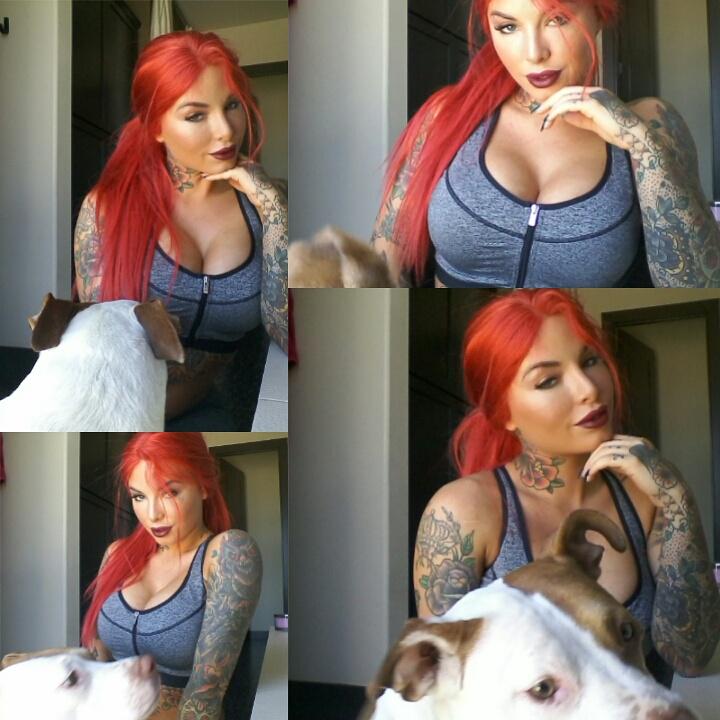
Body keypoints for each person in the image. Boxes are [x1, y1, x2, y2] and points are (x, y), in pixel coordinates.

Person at [413, 290, 720, 684]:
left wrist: (678, 500)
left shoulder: (646, 498)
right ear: (504, 413)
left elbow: (691, 656)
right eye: (548, 380)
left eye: (590, 360)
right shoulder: (463, 513)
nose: (588, 388)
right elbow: (444, 685)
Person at [372, 0, 720, 288]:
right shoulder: (447, 116)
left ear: (600, 14)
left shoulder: (653, 122)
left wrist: (642, 144)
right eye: (508, 26)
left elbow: (698, 285)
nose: (534, 53)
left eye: (557, 19)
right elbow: (383, 267)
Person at [73, 31, 288, 426]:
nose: (225, 131)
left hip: (225, 412)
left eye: (232, 105)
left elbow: (286, 334)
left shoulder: (271, 205)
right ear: (155, 125)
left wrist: (273, 209)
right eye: (196, 115)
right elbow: (99, 344)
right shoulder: (106, 209)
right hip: (119, 413)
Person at [82, 432, 262, 720]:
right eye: (139, 496)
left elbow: (203, 699)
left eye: (169, 492)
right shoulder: (117, 554)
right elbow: (96, 656)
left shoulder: (227, 553)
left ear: (204, 486)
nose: (153, 514)